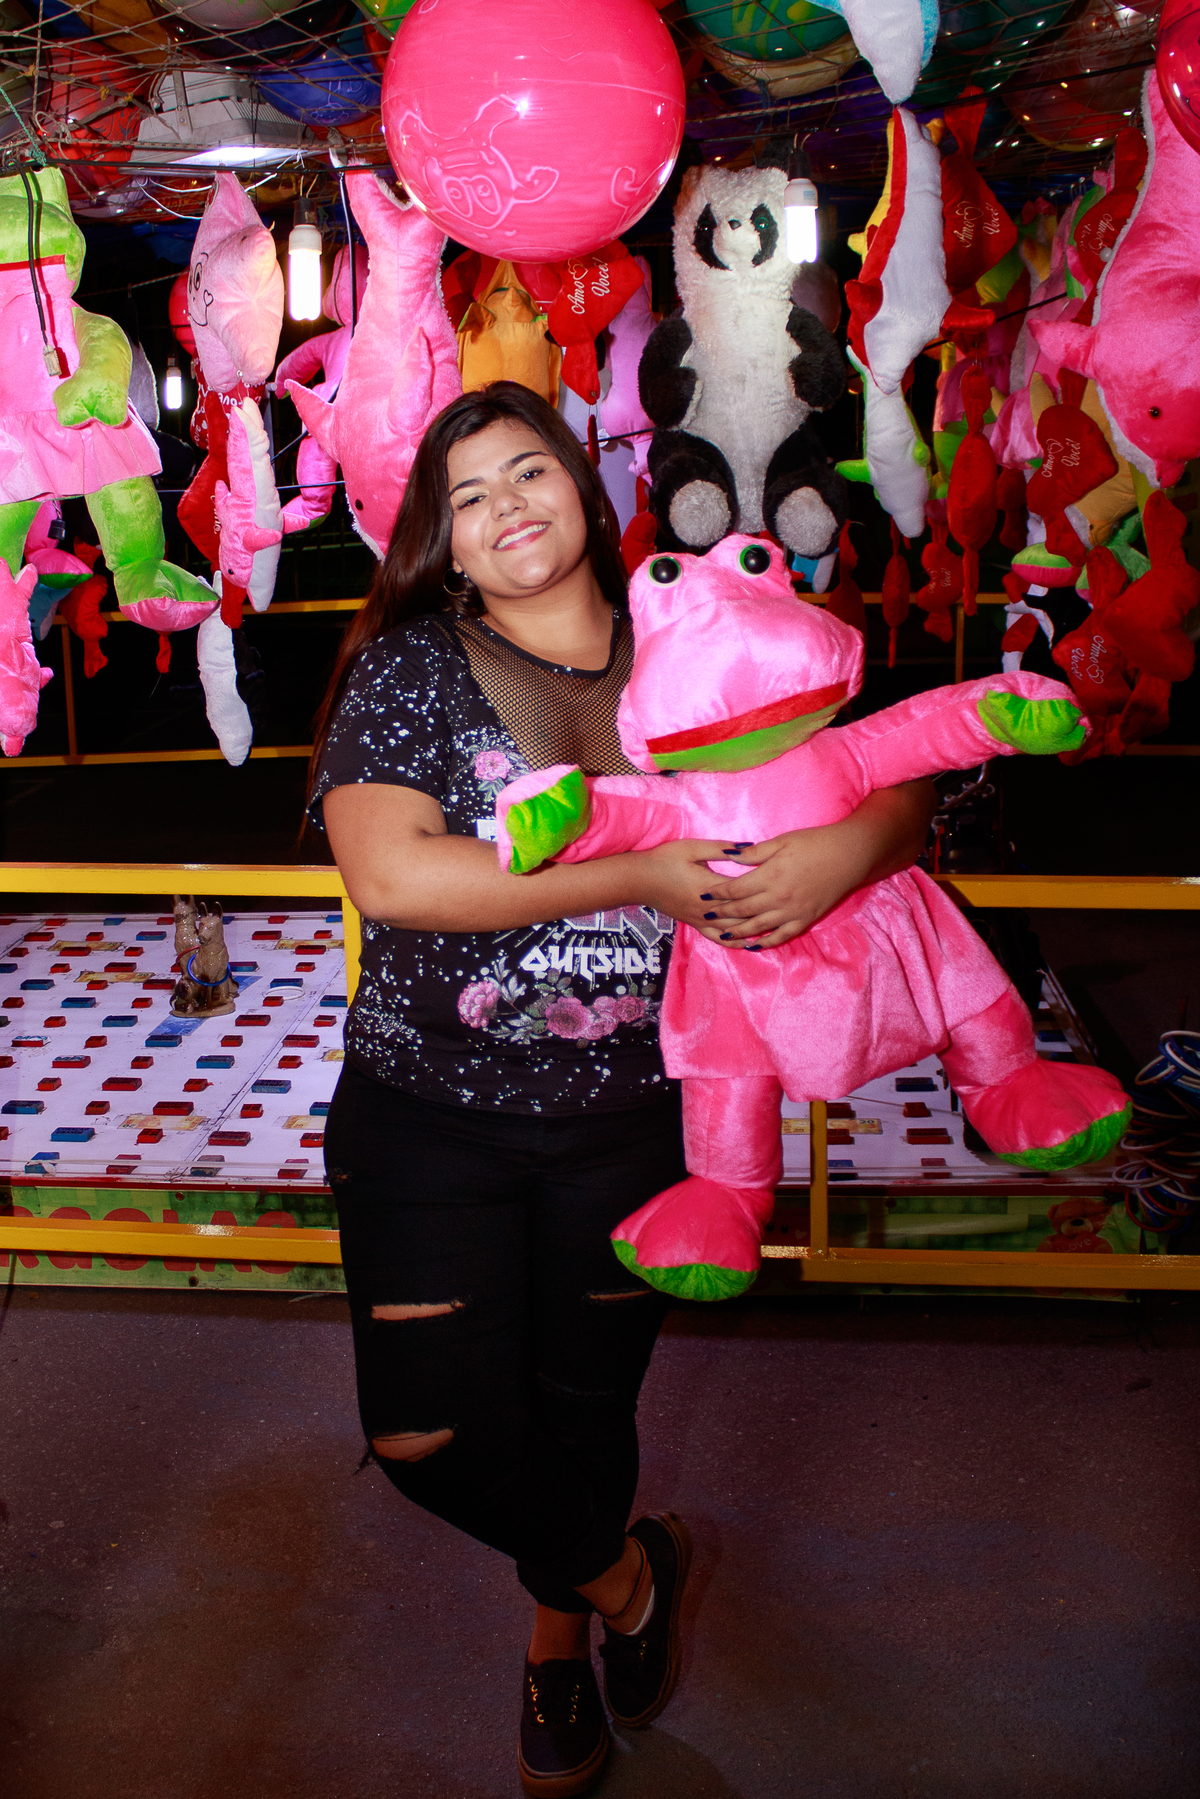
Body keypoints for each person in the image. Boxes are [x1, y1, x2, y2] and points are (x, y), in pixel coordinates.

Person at [310, 381, 933, 1797]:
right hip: (431, 1115)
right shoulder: (411, 668)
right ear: (445, 541)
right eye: (468, 497)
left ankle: (556, 1653)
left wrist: (849, 853)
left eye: (528, 472)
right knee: (425, 1436)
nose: (506, 509)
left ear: (586, 491)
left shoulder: (702, 618)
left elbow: (886, 769)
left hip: (648, 1111)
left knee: (579, 1408)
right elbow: (393, 876)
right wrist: (643, 874)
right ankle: (630, 1585)